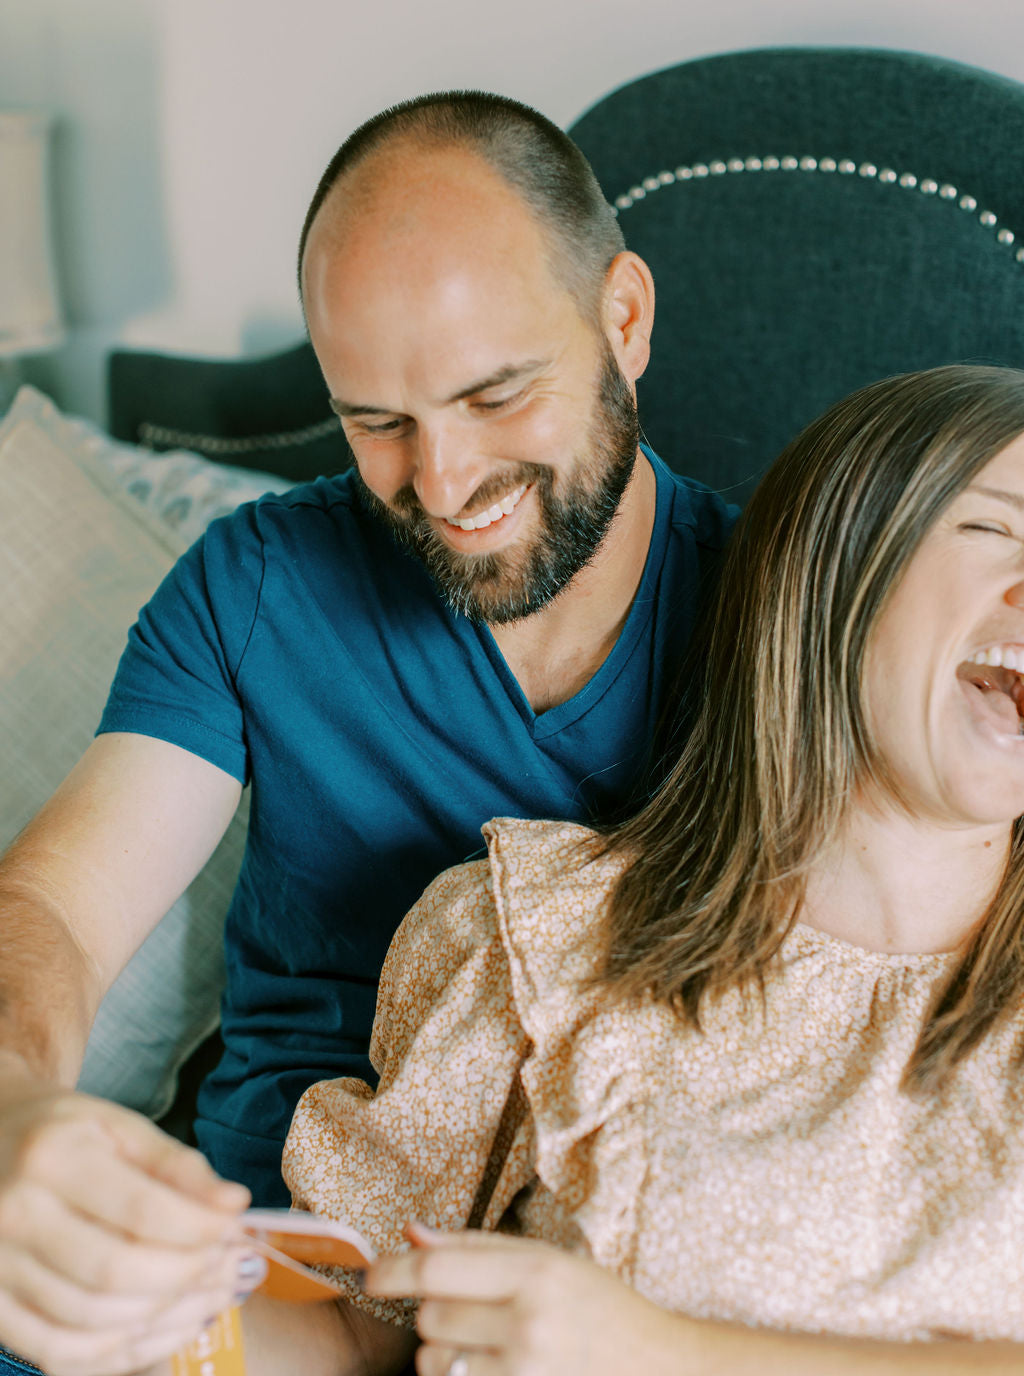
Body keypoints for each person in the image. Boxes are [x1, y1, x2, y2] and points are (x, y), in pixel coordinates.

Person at [0, 93, 735, 1375]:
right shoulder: (257, 586)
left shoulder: (798, 619)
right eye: (376, 422)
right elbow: (56, 907)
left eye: (495, 394)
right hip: (234, 1282)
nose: (443, 486)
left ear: (624, 318)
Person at [193, 364, 1024, 1374]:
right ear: (832, 566)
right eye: (999, 532)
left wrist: (659, 1353)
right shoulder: (536, 935)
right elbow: (346, 1340)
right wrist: (124, 1302)